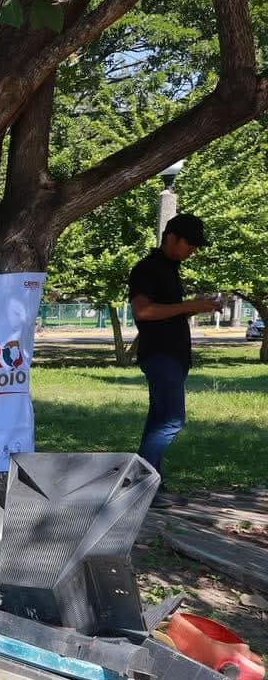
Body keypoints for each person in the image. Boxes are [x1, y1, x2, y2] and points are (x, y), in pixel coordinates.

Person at [127, 213, 221, 506]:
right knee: (172, 421)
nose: (193, 250)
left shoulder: (169, 269)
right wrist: (188, 306)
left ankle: (148, 483)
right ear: (171, 238)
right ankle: (141, 485)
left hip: (173, 357)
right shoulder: (147, 268)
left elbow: (167, 311)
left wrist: (194, 308)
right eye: (189, 243)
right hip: (161, 356)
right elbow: (143, 311)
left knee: (159, 422)